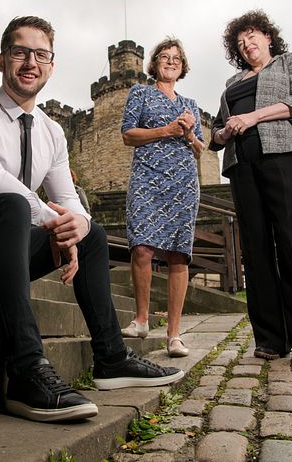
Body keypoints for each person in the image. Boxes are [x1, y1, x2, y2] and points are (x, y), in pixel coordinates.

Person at [0, 16, 183, 423]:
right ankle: (25, 371)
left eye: (41, 54)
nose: (30, 62)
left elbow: (69, 201)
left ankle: (111, 358)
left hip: (0, 252)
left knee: (92, 233)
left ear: (51, 66)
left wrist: (77, 228)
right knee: (14, 205)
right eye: (20, 52)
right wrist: (54, 224)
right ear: (2, 59)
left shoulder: (53, 132)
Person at [209, 10, 292, 363]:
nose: (247, 45)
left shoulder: (290, 62)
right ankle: (270, 338)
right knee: (255, 250)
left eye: (252, 36)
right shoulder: (232, 84)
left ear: (268, 37)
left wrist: (253, 117)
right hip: (242, 165)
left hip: (284, 156)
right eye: (240, 42)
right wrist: (225, 131)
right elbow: (214, 135)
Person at [120, 38, 204, 358]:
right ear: (153, 63)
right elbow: (128, 135)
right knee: (141, 247)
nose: (170, 62)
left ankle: (174, 335)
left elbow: (200, 149)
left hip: (183, 183)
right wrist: (168, 130)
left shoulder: (190, 105)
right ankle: (142, 320)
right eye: (164, 57)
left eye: (177, 59)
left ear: (183, 68)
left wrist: (189, 133)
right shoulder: (139, 93)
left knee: (178, 256)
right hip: (148, 178)